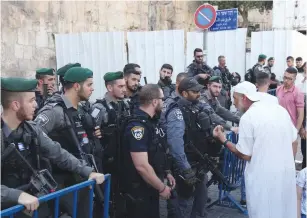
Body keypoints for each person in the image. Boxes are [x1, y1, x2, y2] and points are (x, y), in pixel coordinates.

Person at [1, 77, 104, 216]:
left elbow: (58, 153)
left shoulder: (31, 129)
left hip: (33, 206)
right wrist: (17, 196)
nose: (36, 105)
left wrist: (87, 171)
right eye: (31, 101)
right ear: (15, 105)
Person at [213, 81, 297, 218]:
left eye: (234, 98)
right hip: (285, 173)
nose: (233, 103)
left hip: (262, 177)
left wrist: (224, 140)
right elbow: (294, 141)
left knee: (263, 212)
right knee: (284, 210)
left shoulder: (249, 117)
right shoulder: (280, 110)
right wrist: (289, 163)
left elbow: (244, 154)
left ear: (244, 98)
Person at [35, 67, 103, 217]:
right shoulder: (55, 111)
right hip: (63, 183)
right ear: (77, 86)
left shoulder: (77, 109)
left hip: (80, 177)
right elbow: (35, 137)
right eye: (89, 85)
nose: (92, 89)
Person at [165, 77, 217, 218]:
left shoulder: (194, 106)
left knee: (200, 200)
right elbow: (175, 144)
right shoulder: (177, 112)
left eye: (199, 91)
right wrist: (185, 168)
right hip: (185, 165)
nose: (199, 94)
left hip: (198, 162)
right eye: (194, 91)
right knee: (182, 204)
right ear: (184, 93)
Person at [120, 84, 175, 218]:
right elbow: (142, 166)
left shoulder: (150, 122)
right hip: (138, 191)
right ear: (155, 101)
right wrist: (161, 188)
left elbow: (156, 151)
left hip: (150, 186)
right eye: (162, 99)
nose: (164, 102)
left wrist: (167, 172)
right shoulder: (138, 127)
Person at [276, 67, 305, 157]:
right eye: (285, 77)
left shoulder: (298, 93)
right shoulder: (278, 89)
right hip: (278, 127)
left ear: (294, 79)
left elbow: (300, 115)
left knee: (289, 158)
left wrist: (295, 131)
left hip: (291, 129)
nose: (286, 80)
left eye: (289, 79)